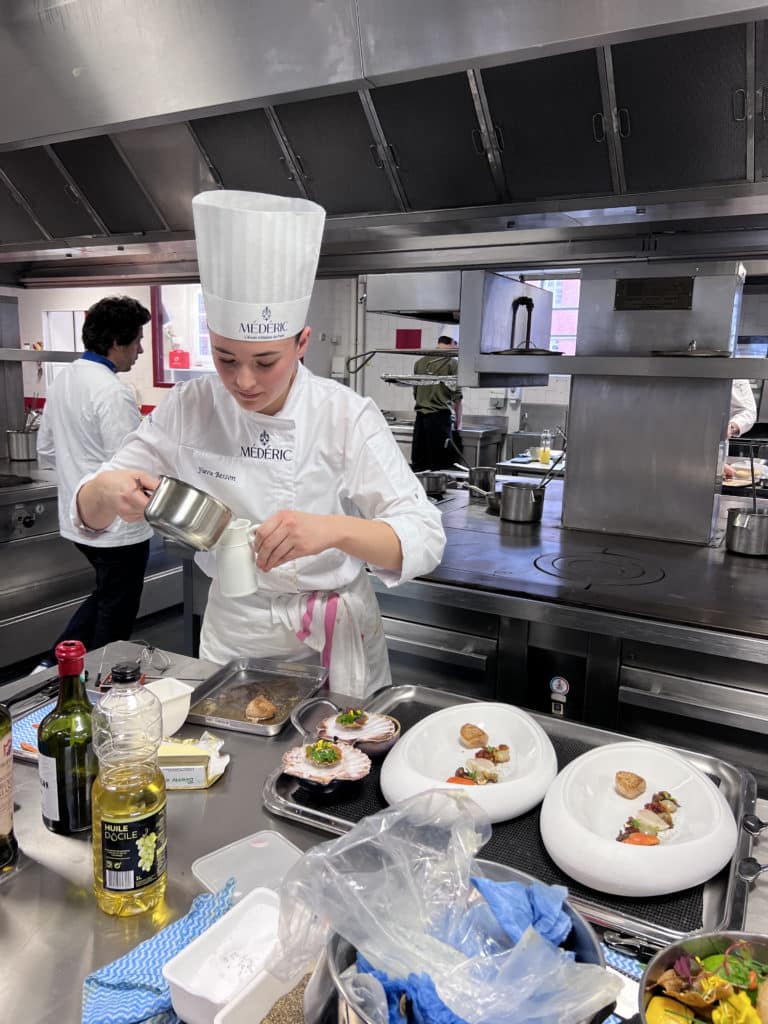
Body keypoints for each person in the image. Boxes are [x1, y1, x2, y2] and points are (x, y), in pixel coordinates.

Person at [72, 191, 446, 698]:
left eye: (266, 362)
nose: (244, 381)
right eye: (226, 359)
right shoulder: (190, 406)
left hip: (335, 638)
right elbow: (90, 511)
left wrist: (334, 530)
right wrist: (103, 492)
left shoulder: (343, 414)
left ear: (301, 343)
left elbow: (425, 537)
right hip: (236, 635)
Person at [35, 296, 153, 669]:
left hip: (78, 521)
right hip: (118, 529)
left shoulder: (64, 379)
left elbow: (46, 448)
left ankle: (52, 667)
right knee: (115, 613)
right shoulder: (113, 391)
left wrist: (79, 474)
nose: (140, 350)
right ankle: (103, 683)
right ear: (117, 342)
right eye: (137, 341)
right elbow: (132, 466)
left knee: (105, 596)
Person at [411, 325, 463, 472]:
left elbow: (416, 392)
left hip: (420, 421)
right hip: (439, 420)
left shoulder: (420, 363)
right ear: (453, 342)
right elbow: (457, 398)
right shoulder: (452, 363)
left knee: (420, 466)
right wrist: (458, 424)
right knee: (440, 467)